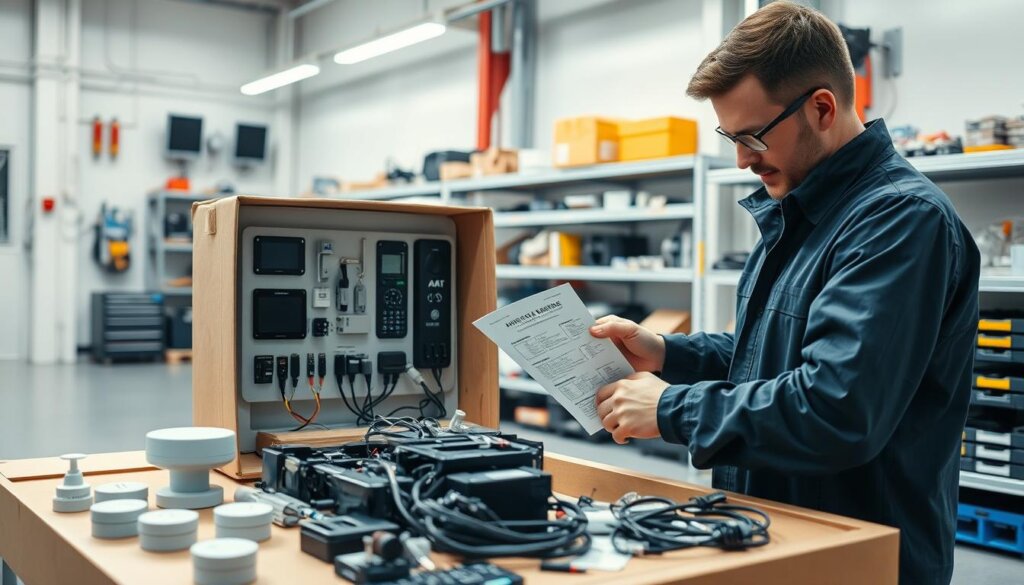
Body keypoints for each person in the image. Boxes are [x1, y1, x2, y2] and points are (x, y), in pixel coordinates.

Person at [590, 3, 979, 584]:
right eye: (731, 137)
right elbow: (771, 352)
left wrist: (671, 408)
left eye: (752, 136)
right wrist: (669, 354)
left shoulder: (900, 220)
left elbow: (836, 407)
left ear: (822, 108)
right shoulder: (800, 206)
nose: (743, 159)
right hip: (784, 535)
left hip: (859, 555)